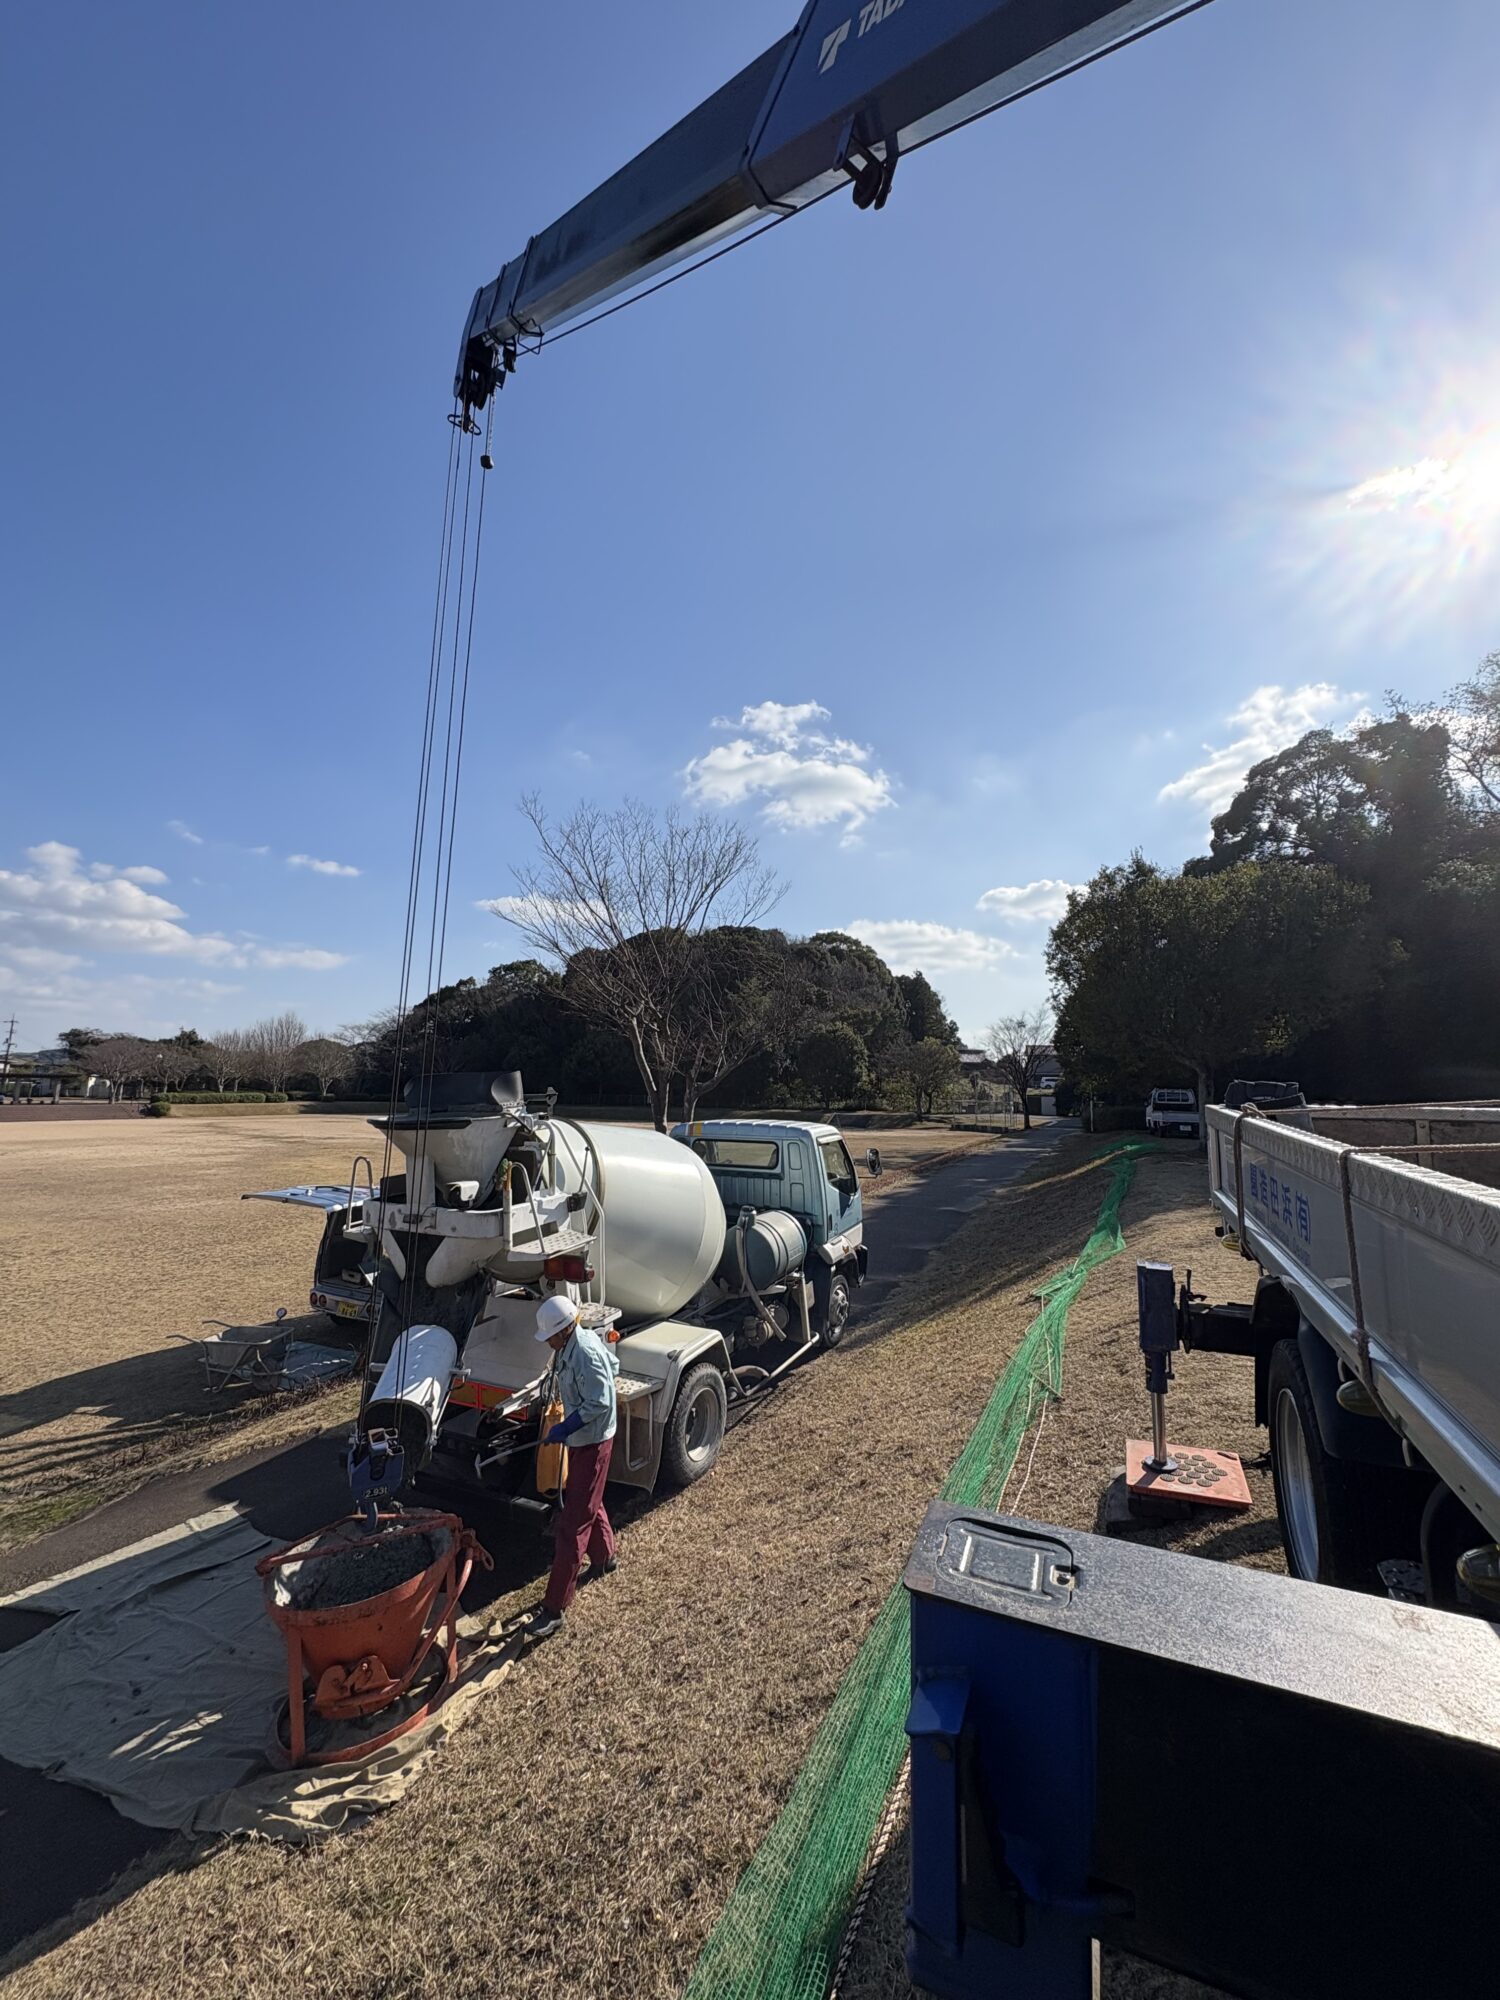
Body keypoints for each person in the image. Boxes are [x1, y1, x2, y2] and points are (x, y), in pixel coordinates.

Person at [528, 1295, 619, 1637]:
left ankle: (554, 1608)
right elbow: (615, 1369)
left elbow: (601, 1400)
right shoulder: (571, 1346)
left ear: (565, 1330)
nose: (548, 1342)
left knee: (572, 1524)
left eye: (550, 1336)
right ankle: (606, 1557)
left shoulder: (586, 1351)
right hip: (584, 1439)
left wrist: (567, 1427)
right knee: (588, 1502)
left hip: (593, 1440)